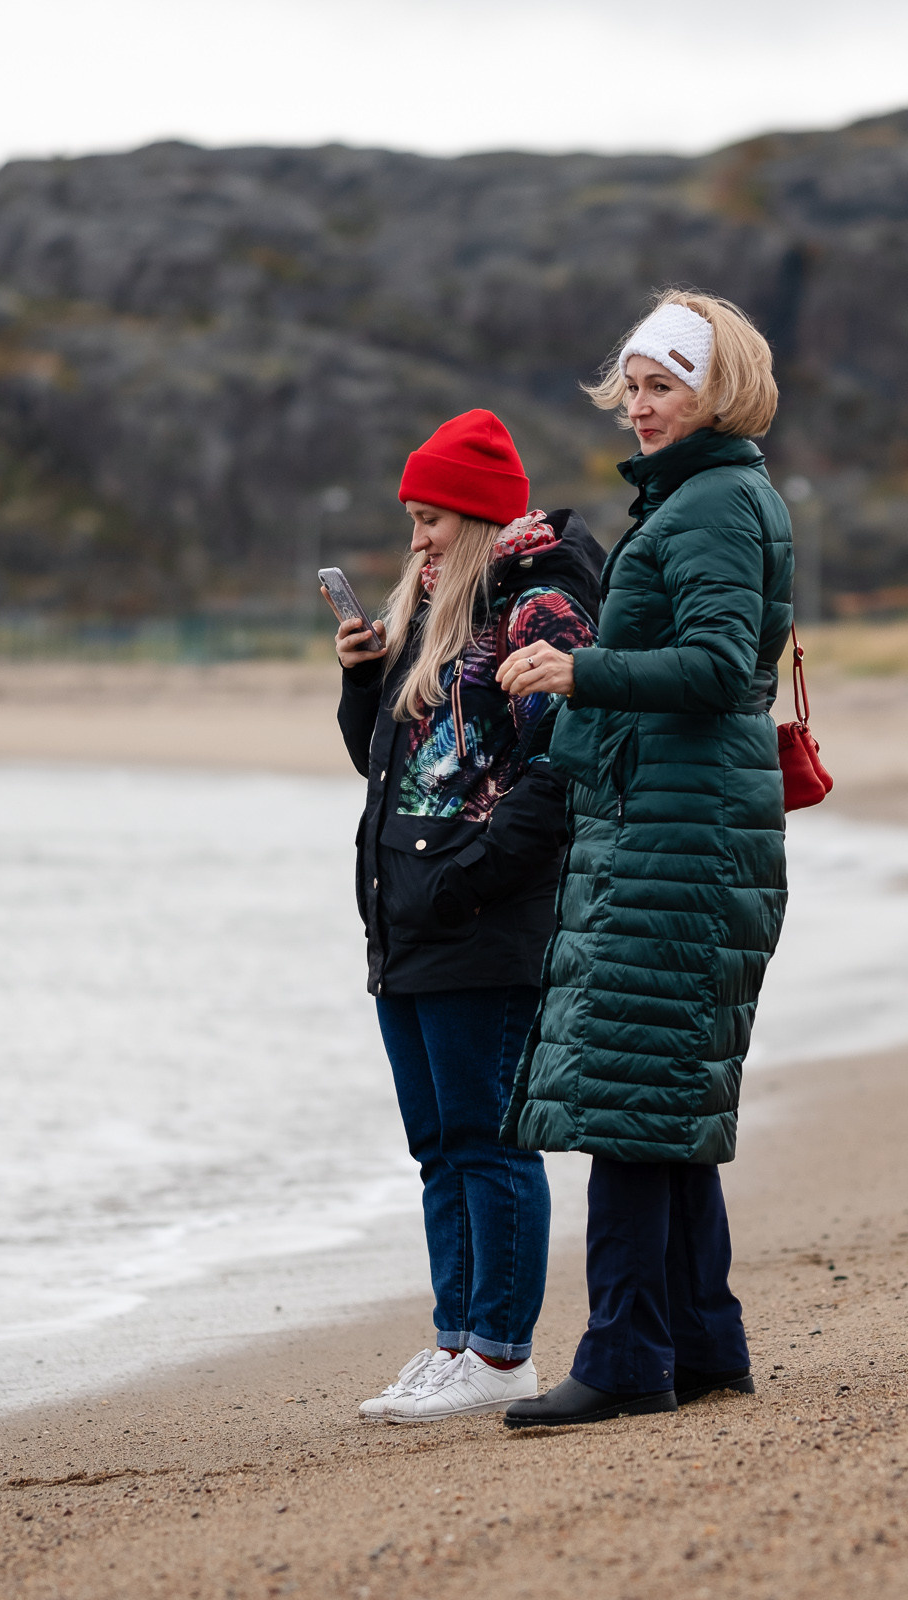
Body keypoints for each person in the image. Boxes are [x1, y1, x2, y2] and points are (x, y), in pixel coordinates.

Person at [491, 289, 791, 1427]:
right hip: (682, 825)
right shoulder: (707, 496)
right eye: (633, 385)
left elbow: (720, 666)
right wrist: (571, 699)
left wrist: (582, 672)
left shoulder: (712, 504)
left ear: (715, 389)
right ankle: (703, 1343)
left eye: (663, 384)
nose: (640, 407)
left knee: (627, 1097)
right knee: (661, 1098)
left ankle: (623, 1353)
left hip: (685, 836)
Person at [336, 410, 602, 1421]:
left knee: (488, 1141)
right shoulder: (437, 615)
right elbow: (388, 766)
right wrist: (364, 677)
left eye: (432, 518)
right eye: (410, 518)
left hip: (481, 921)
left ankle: (500, 1354)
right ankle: (455, 1339)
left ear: (482, 516)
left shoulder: (538, 610)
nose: (416, 540)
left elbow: (565, 763)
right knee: (438, 1144)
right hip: (406, 922)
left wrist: (474, 875)